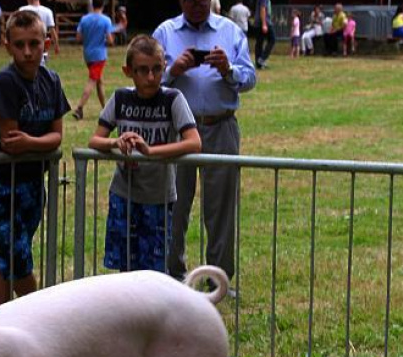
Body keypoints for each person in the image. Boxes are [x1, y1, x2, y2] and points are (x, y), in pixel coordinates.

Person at [154, 0, 257, 283]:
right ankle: (172, 276)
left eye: (202, 1)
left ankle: (219, 278)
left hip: (220, 125)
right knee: (173, 203)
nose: (198, 6)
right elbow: (147, 79)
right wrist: (173, 71)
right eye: (191, 1)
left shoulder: (231, 31)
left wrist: (228, 70)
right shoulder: (165, 32)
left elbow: (250, 78)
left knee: (221, 207)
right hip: (177, 130)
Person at [0, 10, 70, 309]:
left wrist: (31, 142)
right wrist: (37, 143)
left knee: (10, 260)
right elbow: (10, 141)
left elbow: (58, 136)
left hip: (32, 182)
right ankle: (44, 317)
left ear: (47, 42)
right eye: (19, 45)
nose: (28, 52)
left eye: (34, 43)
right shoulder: (6, 81)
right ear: (7, 46)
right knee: (17, 260)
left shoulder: (51, 81)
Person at [88, 36, 203, 273]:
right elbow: (94, 140)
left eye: (157, 69)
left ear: (164, 67)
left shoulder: (172, 99)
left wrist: (150, 151)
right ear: (128, 71)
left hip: (158, 197)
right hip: (124, 195)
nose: (150, 77)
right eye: (142, 70)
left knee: (153, 270)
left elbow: (194, 142)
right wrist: (116, 142)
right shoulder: (120, 98)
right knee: (126, 267)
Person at [72, 0, 113, 120]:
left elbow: (78, 37)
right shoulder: (106, 20)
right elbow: (110, 40)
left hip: (88, 55)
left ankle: (105, 108)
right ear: (103, 5)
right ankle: (79, 108)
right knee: (92, 80)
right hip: (99, 55)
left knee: (99, 81)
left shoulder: (84, 19)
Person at [253, 0, 274, 68]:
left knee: (259, 42)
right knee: (272, 39)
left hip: (259, 22)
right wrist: (264, 24)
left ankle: (258, 63)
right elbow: (263, 8)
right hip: (264, 22)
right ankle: (262, 59)